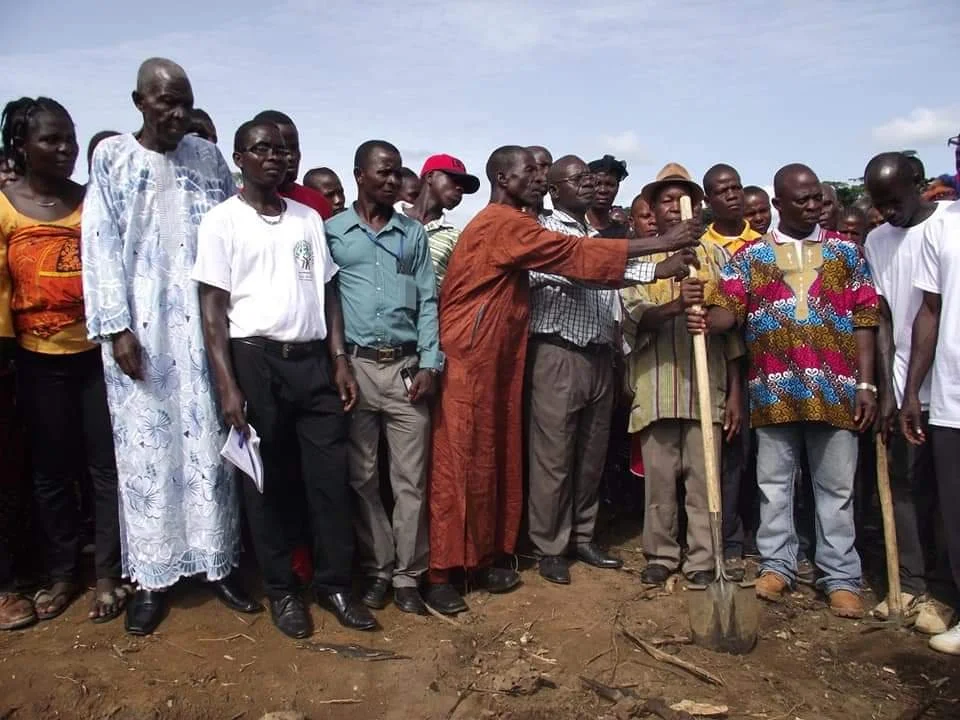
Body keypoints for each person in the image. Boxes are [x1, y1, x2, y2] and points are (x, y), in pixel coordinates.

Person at [425, 145, 700, 615]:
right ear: (502, 178)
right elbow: (573, 255)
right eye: (530, 171)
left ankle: (479, 559)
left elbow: (583, 259)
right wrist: (662, 243)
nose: (539, 176)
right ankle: (439, 573)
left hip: (499, 356)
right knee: (460, 459)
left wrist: (657, 262)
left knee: (493, 457)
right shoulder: (501, 224)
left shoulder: (518, 224)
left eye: (541, 170)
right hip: (471, 354)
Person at [82, 58, 260, 636]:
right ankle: (153, 578)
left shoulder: (208, 158)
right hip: (143, 330)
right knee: (148, 454)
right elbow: (99, 244)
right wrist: (116, 327)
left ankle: (217, 564)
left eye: (186, 102)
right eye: (167, 102)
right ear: (140, 101)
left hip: (205, 329)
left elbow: (232, 234)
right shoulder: (112, 157)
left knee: (211, 446)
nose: (179, 113)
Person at [195, 119, 370, 638]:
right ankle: (282, 590)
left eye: (281, 149)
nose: (274, 156)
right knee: (265, 483)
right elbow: (212, 310)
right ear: (239, 157)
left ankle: (334, 585)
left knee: (329, 479)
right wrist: (227, 385)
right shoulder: (222, 221)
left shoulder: (306, 219)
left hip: (313, 361)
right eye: (261, 148)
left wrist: (338, 357)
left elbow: (328, 292)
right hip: (256, 360)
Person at [687, 163, 879, 619]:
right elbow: (729, 312)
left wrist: (866, 382)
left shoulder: (846, 253)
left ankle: (840, 577)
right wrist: (703, 316)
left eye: (816, 198)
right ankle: (777, 566)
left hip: (834, 389)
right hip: (773, 391)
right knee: (773, 486)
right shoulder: (751, 257)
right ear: (778, 204)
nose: (812, 206)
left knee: (836, 489)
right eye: (801, 200)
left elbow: (865, 319)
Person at [0, 97, 126, 624]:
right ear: (21, 146)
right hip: (35, 360)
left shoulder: (92, 202)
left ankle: (108, 573)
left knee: (105, 468)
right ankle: (61, 573)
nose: (65, 149)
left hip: (98, 358)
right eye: (51, 140)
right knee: (51, 472)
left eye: (69, 138)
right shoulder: (5, 206)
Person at [325, 140, 441, 616]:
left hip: (405, 369)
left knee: (410, 480)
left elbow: (428, 301)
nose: (393, 181)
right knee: (363, 477)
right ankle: (378, 568)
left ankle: (408, 576)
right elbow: (326, 300)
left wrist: (430, 363)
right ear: (359, 175)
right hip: (355, 369)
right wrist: (337, 361)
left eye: (397, 173)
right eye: (384, 172)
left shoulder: (412, 234)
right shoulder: (333, 232)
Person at [622, 163, 744, 586]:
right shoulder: (639, 259)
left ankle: (703, 558)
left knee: (704, 479)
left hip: (705, 385)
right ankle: (660, 554)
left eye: (683, 198)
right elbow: (635, 317)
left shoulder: (718, 257)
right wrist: (677, 305)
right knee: (659, 481)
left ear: (698, 205)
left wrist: (712, 319)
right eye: (667, 200)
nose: (676, 207)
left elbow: (734, 323)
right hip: (656, 386)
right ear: (654, 208)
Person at [526, 155, 635, 585]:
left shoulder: (596, 235)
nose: (589, 184)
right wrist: (650, 265)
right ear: (555, 190)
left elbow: (612, 295)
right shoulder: (542, 230)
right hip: (558, 352)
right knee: (553, 457)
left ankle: (583, 536)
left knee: (591, 455)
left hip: (598, 354)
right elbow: (571, 273)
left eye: (590, 178)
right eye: (578, 179)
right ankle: (549, 546)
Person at [863, 152, 954, 635]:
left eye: (894, 202)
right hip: (902, 385)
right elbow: (881, 316)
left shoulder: (947, 226)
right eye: (879, 204)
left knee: (945, 494)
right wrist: (887, 388)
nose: (887, 213)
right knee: (905, 485)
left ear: (918, 184)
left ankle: (943, 593)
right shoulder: (877, 240)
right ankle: (910, 583)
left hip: (945, 386)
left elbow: (932, 313)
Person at [900, 199, 960, 654]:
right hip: (951, 396)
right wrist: (912, 391)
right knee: (954, 511)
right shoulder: (943, 227)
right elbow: (930, 311)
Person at [699, 163, 760, 572]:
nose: (733, 195)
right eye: (723, 191)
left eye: (736, 187)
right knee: (732, 454)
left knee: (767, 458)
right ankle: (729, 536)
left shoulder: (764, 244)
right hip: (728, 361)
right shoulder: (704, 248)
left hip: (771, 363)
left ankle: (761, 535)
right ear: (709, 200)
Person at [402, 154, 480, 288]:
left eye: (464, 187)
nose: (460, 189)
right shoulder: (387, 216)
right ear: (430, 176)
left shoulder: (456, 238)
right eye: (454, 179)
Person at [252, 110, 332, 220]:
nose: (291, 157)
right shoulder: (237, 207)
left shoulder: (318, 203)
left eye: (294, 148)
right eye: (282, 148)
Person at [587, 154, 629, 238]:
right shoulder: (573, 229)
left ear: (617, 188)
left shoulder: (624, 234)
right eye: (597, 184)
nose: (603, 190)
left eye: (610, 184)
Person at [524, 146, 552, 217]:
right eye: (542, 166)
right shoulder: (504, 216)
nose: (547, 172)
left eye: (550, 167)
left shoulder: (554, 219)